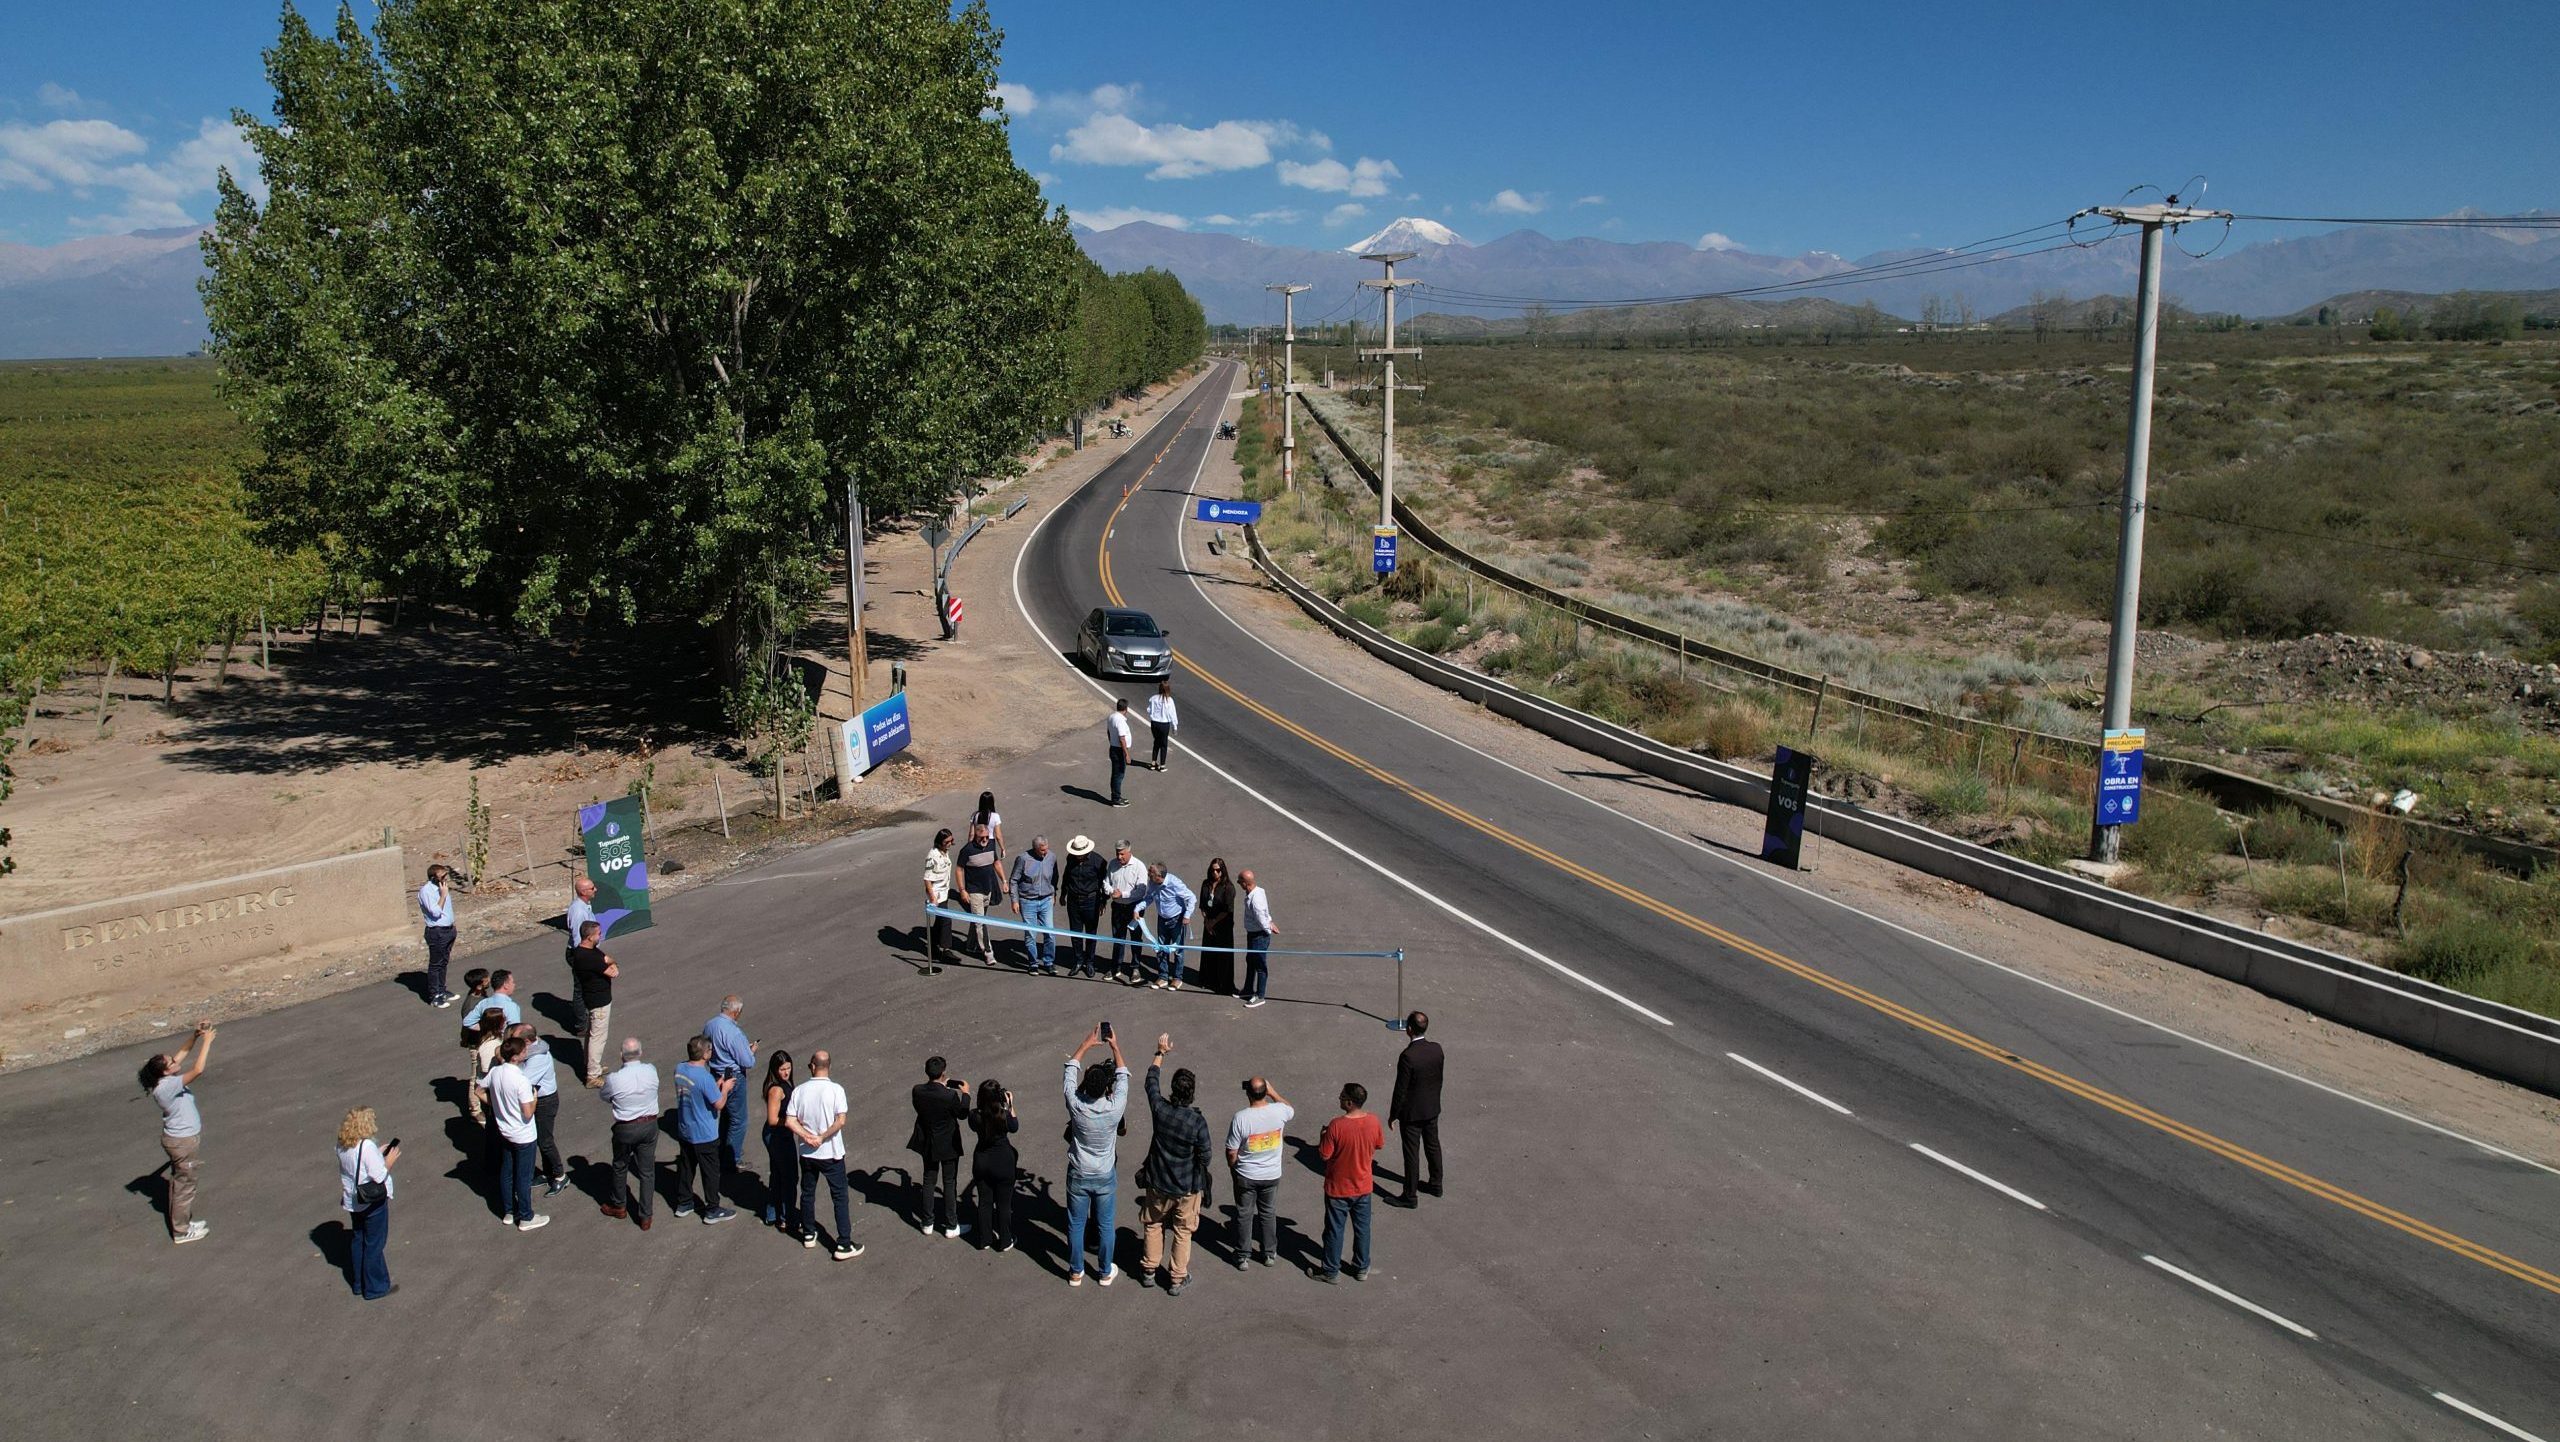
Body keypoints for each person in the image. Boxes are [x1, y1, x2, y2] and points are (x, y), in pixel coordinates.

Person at [1135, 1034, 1211, 1295]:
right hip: (1186, 1186)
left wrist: (1160, 1053)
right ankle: (1177, 1277)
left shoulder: (1161, 1110)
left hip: (1158, 1181)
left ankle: (1149, 1269)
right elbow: (1206, 1155)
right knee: (1183, 1231)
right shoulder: (1197, 1122)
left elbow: (1150, 1083)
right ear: (1192, 1093)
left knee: (1153, 1223)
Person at [1061, 1026, 1130, 1286]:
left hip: (1079, 1171)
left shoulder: (1076, 1105)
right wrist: (1115, 1046)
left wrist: (1085, 1044)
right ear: (1104, 1089)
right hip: (1104, 1173)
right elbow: (1123, 1077)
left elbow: (1069, 1073)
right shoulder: (1114, 1108)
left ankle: (1075, 1271)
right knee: (1105, 1224)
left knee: (1076, 1224)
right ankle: (1104, 1271)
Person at [140, 1022, 216, 1244]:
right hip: (183, 1142)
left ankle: (184, 1223)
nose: (175, 1061)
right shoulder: (168, 1086)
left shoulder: (164, 1079)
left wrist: (195, 1036)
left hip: (179, 1141)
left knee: (181, 1181)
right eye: (171, 1062)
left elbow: (182, 1053)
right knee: (185, 1187)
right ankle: (181, 1231)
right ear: (165, 1071)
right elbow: (198, 1069)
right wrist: (208, 1042)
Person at [786, 1050, 863, 1259]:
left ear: (812, 1066)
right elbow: (840, 1121)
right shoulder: (836, 1090)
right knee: (839, 1196)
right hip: (831, 1153)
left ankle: (808, 1233)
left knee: (807, 1193)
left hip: (807, 1153)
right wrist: (821, 1137)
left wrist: (807, 1136)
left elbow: (790, 1120)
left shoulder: (799, 1091)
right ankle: (844, 1243)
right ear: (829, 1066)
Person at [1314, 1083, 1383, 1282]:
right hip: (1363, 1186)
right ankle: (1361, 1267)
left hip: (1338, 1188)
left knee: (1334, 1230)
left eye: (1342, 1096)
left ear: (1350, 1102)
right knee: (1362, 1229)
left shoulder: (1336, 1125)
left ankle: (1331, 1271)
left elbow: (1325, 1154)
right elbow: (1379, 1144)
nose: (1339, 1098)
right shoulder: (1373, 1121)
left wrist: (1323, 1137)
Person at [1225, 1076, 1292, 1269]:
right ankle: (1269, 1253)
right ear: (1265, 1092)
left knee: (1244, 1214)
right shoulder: (1279, 1111)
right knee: (1268, 1213)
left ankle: (1242, 1256)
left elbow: (1232, 1151)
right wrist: (1273, 1092)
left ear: (1248, 1093)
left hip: (1246, 1174)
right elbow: (1289, 1108)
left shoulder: (1241, 1118)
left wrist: (1233, 1166)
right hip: (1271, 1174)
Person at [483, 1035, 547, 1230]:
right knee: (523, 1176)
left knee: (507, 1172)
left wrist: (498, 1107)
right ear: (516, 1057)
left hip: (505, 1131)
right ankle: (526, 1216)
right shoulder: (521, 1080)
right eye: (523, 1051)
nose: (526, 1053)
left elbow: (479, 1090)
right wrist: (534, 1099)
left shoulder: (495, 1072)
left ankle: (509, 1211)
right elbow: (528, 1113)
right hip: (524, 1134)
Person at [335, 1107, 399, 1300]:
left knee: (359, 1239)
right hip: (371, 1201)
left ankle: (359, 1283)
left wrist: (377, 1153)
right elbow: (379, 1176)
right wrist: (388, 1160)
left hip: (353, 1200)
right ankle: (375, 1287)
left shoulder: (342, 1144)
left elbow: (357, 1165)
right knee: (374, 1244)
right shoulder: (367, 1146)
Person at [672, 1036, 737, 1223]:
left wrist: (715, 1086)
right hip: (704, 1133)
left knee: (687, 1168)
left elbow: (698, 1091)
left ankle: (684, 1203)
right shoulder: (704, 1077)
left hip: (686, 1129)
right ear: (705, 1054)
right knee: (710, 1172)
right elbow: (719, 1104)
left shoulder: (680, 1069)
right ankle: (712, 1209)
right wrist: (725, 1089)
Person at [598, 1039, 661, 1229]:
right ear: (640, 1053)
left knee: (620, 1165)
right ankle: (646, 1216)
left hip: (625, 1127)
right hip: (649, 1124)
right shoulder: (650, 1070)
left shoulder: (614, 1079)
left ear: (621, 1055)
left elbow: (604, 1096)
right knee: (647, 1171)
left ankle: (619, 1205)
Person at [907, 1056, 971, 1237]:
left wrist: (942, 1086)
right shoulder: (949, 1096)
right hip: (948, 1144)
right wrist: (966, 1094)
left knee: (929, 1179)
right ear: (943, 1073)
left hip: (928, 1142)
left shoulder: (917, 1091)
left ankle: (927, 1222)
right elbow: (962, 1114)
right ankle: (951, 1225)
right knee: (949, 1182)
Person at [1388, 1011, 1445, 1207]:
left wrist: (1393, 1115)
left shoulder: (1408, 1056)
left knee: (1412, 1154)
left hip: (1412, 1113)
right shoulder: (1436, 1049)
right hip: (1431, 1108)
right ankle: (1436, 1184)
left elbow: (1400, 1090)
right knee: (1433, 1146)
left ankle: (1410, 1195)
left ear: (1409, 1029)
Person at [507, 1022, 567, 1196]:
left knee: (545, 1141)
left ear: (527, 1041)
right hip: (538, 1099)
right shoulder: (534, 1048)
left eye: (515, 1039)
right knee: (540, 1139)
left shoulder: (537, 1058)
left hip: (544, 1102)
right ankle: (548, 1173)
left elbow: (523, 1081)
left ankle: (560, 1175)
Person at [704, 995, 757, 1179]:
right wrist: (751, 1051)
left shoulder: (710, 1025)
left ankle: (722, 1151)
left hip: (716, 1073)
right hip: (733, 1076)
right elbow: (747, 1061)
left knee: (726, 1115)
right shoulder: (734, 1033)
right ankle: (733, 1159)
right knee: (739, 1119)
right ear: (736, 1012)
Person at [969, 1080, 1020, 1253]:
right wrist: (1010, 1105)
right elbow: (1014, 1127)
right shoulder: (1003, 1115)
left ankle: (985, 1239)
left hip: (982, 1161)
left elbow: (974, 1124)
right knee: (1004, 1204)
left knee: (985, 1202)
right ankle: (1005, 1240)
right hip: (1003, 1162)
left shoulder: (974, 1116)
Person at [566, 920, 618, 1086]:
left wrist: (608, 961)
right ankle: (592, 1075)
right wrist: (612, 962)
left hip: (593, 998)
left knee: (592, 1034)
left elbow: (605, 959)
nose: (600, 936)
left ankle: (591, 1065)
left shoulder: (584, 951)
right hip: (599, 1001)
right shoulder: (589, 957)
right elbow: (613, 971)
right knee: (598, 1037)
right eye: (598, 934)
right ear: (589, 937)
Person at [954, 822, 1006, 967]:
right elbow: (959, 870)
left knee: (978, 920)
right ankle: (988, 953)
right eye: (981, 837)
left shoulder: (991, 845)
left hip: (988, 890)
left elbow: (996, 863)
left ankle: (971, 945)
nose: (985, 840)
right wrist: (962, 890)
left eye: (987, 837)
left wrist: (1004, 880)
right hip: (974, 891)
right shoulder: (967, 850)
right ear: (975, 836)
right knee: (980, 922)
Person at [760, 1051, 800, 1232]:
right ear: (775, 1070)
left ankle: (773, 1214)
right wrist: (793, 1122)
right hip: (778, 1136)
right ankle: (786, 1218)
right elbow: (772, 1119)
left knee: (777, 1175)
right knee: (789, 1177)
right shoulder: (776, 1090)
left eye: (788, 1068)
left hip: (779, 1135)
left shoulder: (784, 1084)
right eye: (782, 1069)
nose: (786, 1072)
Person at [1140, 863, 1195, 991]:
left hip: (1177, 919)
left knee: (1178, 951)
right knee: (1160, 948)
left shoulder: (1174, 883)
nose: (1148, 875)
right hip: (1162, 919)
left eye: (1151, 873)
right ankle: (1163, 977)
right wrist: (1138, 908)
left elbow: (1191, 897)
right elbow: (1149, 898)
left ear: (1159, 876)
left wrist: (1187, 915)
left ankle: (1177, 978)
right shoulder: (1152, 883)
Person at [1010, 836, 1060, 975]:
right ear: (1035, 849)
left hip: (1046, 900)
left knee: (1050, 933)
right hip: (1028, 901)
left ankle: (1049, 962)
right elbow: (1014, 880)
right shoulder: (1023, 859)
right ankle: (1033, 963)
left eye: (1046, 849)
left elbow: (1055, 877)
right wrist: (1014, 900)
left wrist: (1053, 893)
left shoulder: (1052, 857)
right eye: (1042, 850)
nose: (1045, 852)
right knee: (1031, 935)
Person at [1060, 836, 1109, 979]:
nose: (1078, 856)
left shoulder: (1098, 861)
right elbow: (1066, 877)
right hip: (1073, 901)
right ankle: (1078, 960)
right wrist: (1063, 894)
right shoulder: (1071, 859)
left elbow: (1105, 883)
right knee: (1075, 933)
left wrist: (1103, 901)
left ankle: (1089, 962)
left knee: (1090, 933)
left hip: (1091, 901)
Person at [1105, 841, 1148, 984]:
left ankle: (1135, 968)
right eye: (1117, 853)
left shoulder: (1139, 867)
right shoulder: (1112, 864)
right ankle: (1116, 966)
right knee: (1118, 937)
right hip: (1117, 907)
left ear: (1129, 852)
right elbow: (1106, 882)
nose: (1119, 857)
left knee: (1135, 938)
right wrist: (1111, 891)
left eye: (1122, 854)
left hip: (1134, 908)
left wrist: (1122, 894)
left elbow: (1141, 891)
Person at [419, 863, 458, 1007]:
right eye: (442, 876)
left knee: (444, 962)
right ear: (433, 878)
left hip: (448, 930)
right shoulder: (426, 891)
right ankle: (434, 995)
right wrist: (443, 895)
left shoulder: (443, 887)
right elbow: (435, 912)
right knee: (436, 964)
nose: (445, 878)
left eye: (446, 875)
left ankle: (442, 990)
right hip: (437, 932)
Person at [1198, 858, 1237, 995]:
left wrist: (1213, 922)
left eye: (1218, 870)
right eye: (1213, 870)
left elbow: (1227, 910)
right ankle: (1208, 980)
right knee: (1209, 953)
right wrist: (1207, 921)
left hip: (1222, 926)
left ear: (1223, 871)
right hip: (1209, 924)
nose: (1215, 873)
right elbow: (1202, 905)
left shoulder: (1228, 887)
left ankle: (1224, 984)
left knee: (1223, 956)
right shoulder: (1206, 884)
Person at [1239, 869, 1278, 1009]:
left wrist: (1267, 930)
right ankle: (1248, 989)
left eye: (1239, 881)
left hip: (1259, 936)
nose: (1238, 883)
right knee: (1250, 961)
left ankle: (1260, 995)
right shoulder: (1259, 891)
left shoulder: (1255, 900)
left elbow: (1261, 917)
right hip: (1253, 934)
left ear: (1245, 883)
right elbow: (1266, 912)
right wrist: (1270, 921)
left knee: (1260, 965)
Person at [465, 1010, 508, 1128]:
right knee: (495, 1121)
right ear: (497, 1023)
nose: (506, 1021)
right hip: (490, 1088)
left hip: (492, 1086)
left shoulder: (495, 1038)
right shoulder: (489, 1046)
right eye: (503, 1019)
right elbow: (486, 1069)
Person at [922, 828, 956, 973]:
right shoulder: (933, 856)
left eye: (951, 841)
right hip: (936, 895)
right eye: (947, 842)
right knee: (946, 919)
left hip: (944, 892)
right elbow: (927, 879)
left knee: (940, 921)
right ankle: (946, 949)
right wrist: (933, 898)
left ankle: (933, 945)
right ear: (940, 842)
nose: (950, 844)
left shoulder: (944, 852)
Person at [1105, 698, 1134, 807]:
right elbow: (1122, 738)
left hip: (1113, 748)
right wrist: (1126, 754)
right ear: (1126, 709)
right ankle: (1116, 799)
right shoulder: (1120, 720)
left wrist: (1111, 742)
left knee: (1115, 774)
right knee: (1119, 775)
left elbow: (1108, 732)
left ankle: (1116, 796)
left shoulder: (1111, 716)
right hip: (1119, 751)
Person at [1145, 680, 1179, 770]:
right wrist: (1174, 726)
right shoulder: (1169, 700)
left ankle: (1153, 763)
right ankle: (1162, 765)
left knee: (1156, 742)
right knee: (1164, 744)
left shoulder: (1153, 698)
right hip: (1164, 724)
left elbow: (1149, 710)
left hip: (1155, 723)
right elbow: (1172, 714)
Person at [564, 876, 598, 958]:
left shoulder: (585, 904)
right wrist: (587, 957)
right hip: (583, 954)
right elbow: (577, 938)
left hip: (589, 950)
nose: (595, 889)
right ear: (583, 892)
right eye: (592, 888)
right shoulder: (578, 911)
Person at [970, 790, 1006, 858]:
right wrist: (1002, 848)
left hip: (977, 841)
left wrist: (969, 846)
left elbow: (972, 834)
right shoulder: (995, 816)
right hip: (990, 842)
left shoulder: (975, 815)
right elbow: (998, 836)